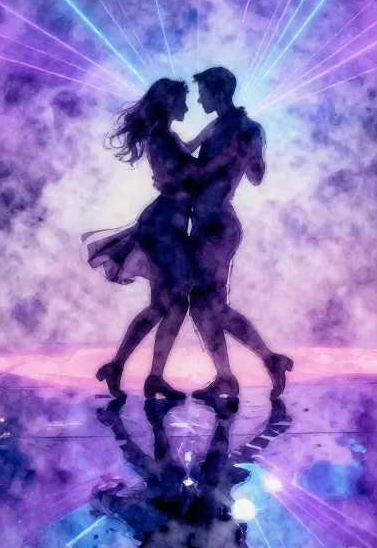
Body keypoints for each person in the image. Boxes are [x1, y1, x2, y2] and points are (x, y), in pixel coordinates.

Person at [86, 79, 232, 401]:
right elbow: (195, 175)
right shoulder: (162, 138)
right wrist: (226, 157)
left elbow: (186, 162)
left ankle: (132, 370)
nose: (187, 107)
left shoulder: (165, 137)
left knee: (165, 305)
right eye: (182, 101)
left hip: (168, 225)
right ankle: (141, 373)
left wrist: (205, 137)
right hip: (164, 228)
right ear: (169, 103)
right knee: (171, 303)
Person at [185, 67, 292, 403]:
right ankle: (228, 376)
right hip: (211, 222)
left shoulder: (236, 128)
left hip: (216, 225)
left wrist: (242, 153)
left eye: (203, 93)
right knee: (204, 305)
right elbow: (256, 175)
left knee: (208, 304)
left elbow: (211, 172)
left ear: (218, 93)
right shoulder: (233, 127)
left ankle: (263, 362)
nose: (199, 100)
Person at [92, 397, 292, 547]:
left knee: (168, 474)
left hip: (177, 520)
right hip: (195, 521)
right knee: (210, 473)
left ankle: (131, 421)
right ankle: (255, 423)